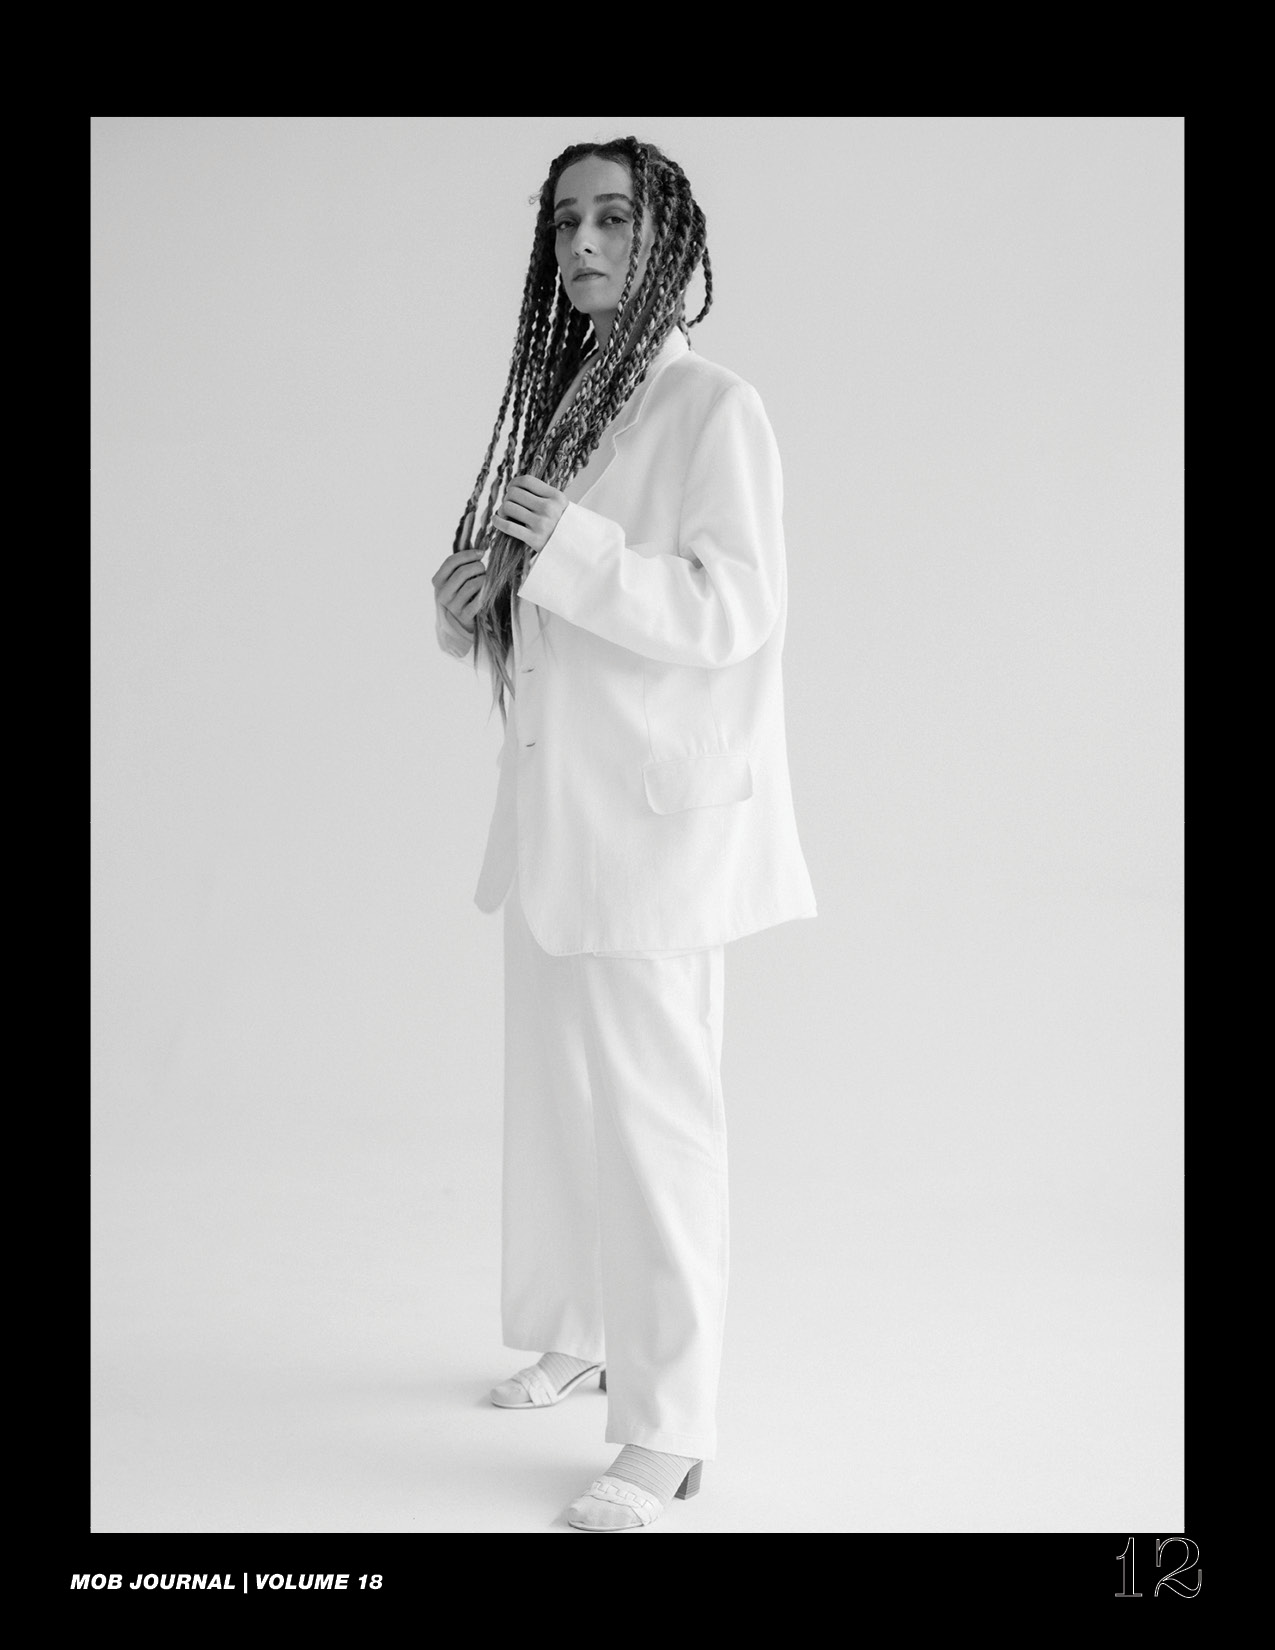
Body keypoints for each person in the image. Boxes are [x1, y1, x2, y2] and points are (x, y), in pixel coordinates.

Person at [431, 136, 817, 1531]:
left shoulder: (715, 408)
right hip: (553, 815)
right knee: (557, 1100)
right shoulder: (566, 405)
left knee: (659, 1121)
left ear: (668, 241)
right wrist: (477, 601)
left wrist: (571, 551)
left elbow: (733, 609)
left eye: (612, 218)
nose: (584, 244)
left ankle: (670, 1427)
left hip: (654, 833)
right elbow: (559, 623)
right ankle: (582, 1329)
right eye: (565, 224)